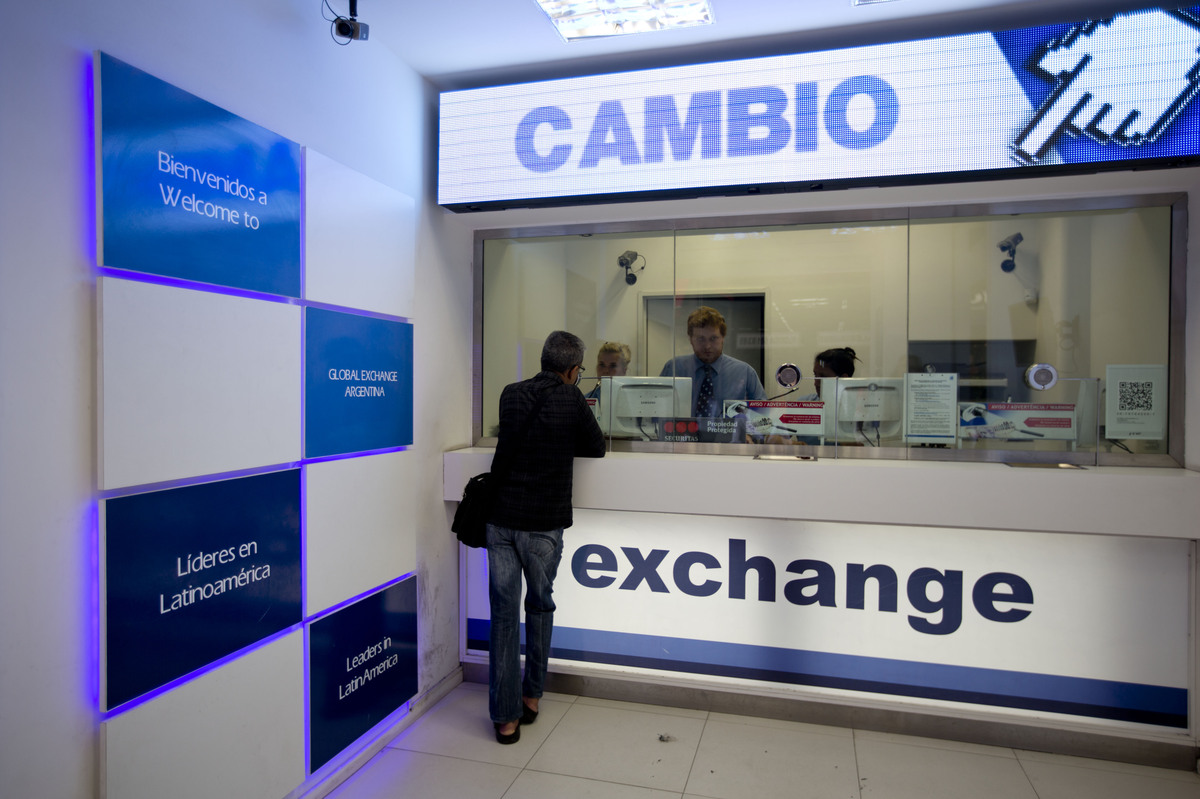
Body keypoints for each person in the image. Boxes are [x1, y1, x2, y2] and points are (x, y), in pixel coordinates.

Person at [487, 330, 606, 744]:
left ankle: (505, 720)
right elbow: (597, 447)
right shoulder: (571, 397)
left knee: (503, 618)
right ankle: (531, 696)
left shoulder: (510, 392)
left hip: (500, 520)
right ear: (573, 370)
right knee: (538, 608)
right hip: (543, 524)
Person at [660, 306, 765, 416]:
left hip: (730, 433)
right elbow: (655, 414)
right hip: (681, 433)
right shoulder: (674, 368)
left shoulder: (745, 372)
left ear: (723, 338)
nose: (707, 346)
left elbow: (763, 419)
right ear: (690, 339)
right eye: (701, 339)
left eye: (713, 338)